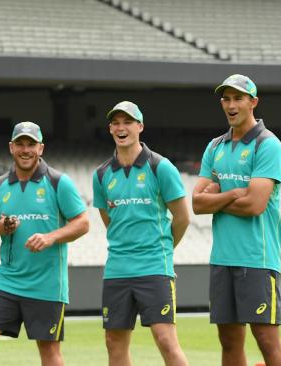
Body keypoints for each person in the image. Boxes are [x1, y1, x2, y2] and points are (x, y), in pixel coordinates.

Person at [0, 121, 89, 366]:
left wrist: (50, 237)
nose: (26, 150)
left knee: (48, 349)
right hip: (7, 279)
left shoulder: (59, 182)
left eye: (31, 144)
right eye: (20, 144)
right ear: (11, 148)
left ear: (41, 148)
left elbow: (82, 223)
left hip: (47, 283)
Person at [192, 74, 281, 366]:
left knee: (267, 341)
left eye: (238, 98)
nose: (231, 105)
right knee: (229, 342)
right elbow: (197, 203)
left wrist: (218, 198)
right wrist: (235, 192)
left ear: (253, 102)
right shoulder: (215, 147)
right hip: (223, 259)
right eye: (226, 99)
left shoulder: (268, 145)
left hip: (257, 259)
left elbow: (255, 205)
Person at [92, 101, 190, 366]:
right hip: (117, 270)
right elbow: (110, 222)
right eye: (116, 122)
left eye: (128, 122)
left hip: (154, 267)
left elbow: (182, 218)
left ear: (140, 126)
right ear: (110, 128)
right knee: (114, 343)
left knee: (166, 340)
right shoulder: (101, 175)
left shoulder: (161, 167)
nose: (121, 128)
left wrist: (164, 251)